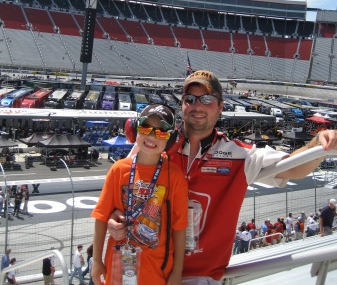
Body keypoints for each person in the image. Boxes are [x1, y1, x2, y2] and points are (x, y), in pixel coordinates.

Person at [108, 70, 337, 284]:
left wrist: (319, 142)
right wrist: (115, 217)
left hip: (200, 277)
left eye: (206, 100)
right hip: (147, 270)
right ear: (182, 106)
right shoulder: (155, 141)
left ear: (220, 107)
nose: (197, 106)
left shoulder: (239, 154)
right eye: (190, 99)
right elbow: (122, 192)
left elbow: (293, 168)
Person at [92, 104, 188, 285]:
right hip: (117, 270)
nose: (152, 136)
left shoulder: (175, 177)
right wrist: (97, 261)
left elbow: (180, 227)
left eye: (161, 132)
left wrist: (177, 272)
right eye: (146, 128)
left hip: (157, 274)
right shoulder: (118, 170)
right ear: (134, 129)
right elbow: (101, 217)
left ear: (171, 138)